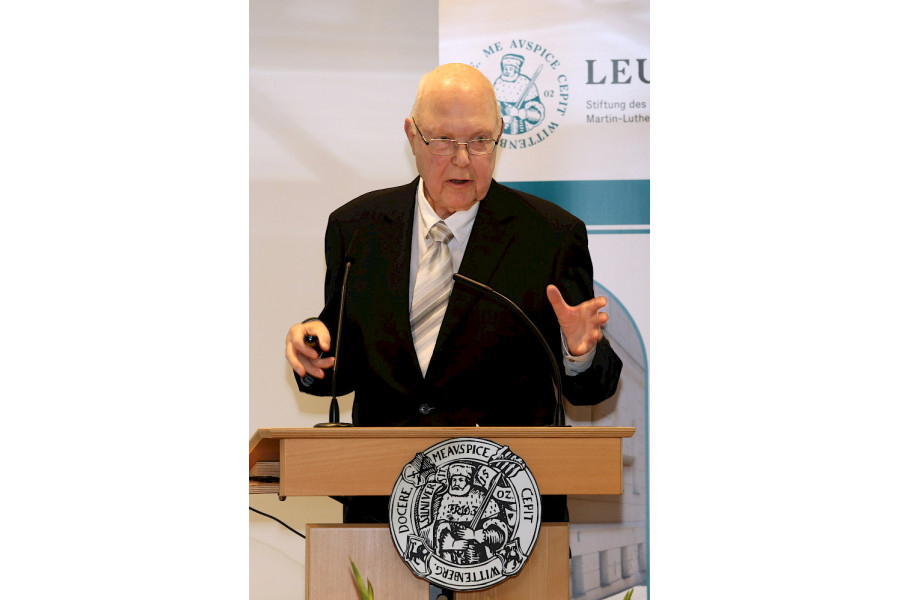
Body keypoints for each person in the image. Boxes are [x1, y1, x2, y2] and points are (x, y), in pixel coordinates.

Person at [284, 63, 622, 522]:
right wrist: (313, 349)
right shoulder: (357, 228)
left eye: (480, 140)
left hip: (505, 514)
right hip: (383, 507)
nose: (463, 159)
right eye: (443, 140)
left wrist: (579, 353)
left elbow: (595, 386)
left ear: (500, 136)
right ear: (412, 136)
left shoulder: (549, 236)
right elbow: (340, 364)